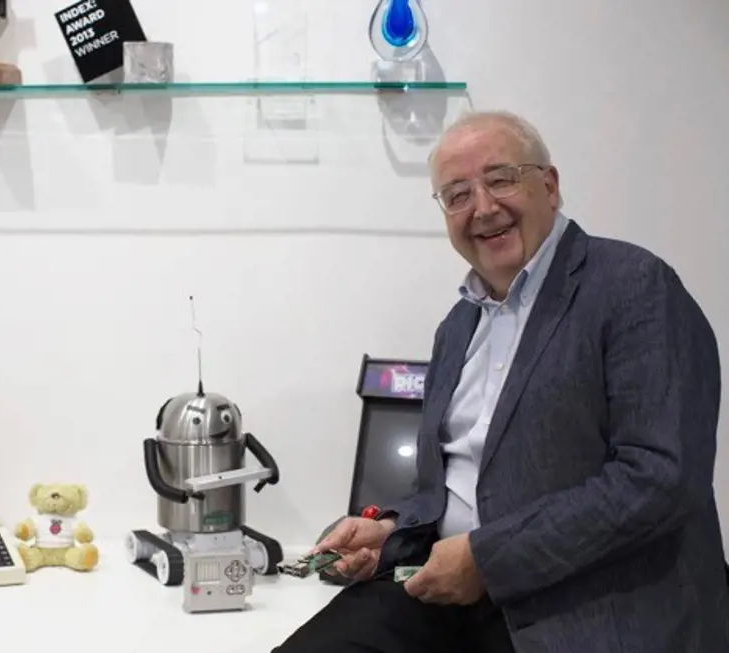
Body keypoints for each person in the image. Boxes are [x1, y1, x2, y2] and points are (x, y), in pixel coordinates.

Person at [271, 110, 729, 653]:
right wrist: (392, 532)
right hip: (446, 590)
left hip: (588, 600)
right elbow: (446, 490)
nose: (483, 208)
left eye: (501, 179)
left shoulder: (635, 286)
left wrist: (488, 560)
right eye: (458, 194)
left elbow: (659, 479)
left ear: (550, 185)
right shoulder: (457, 325)